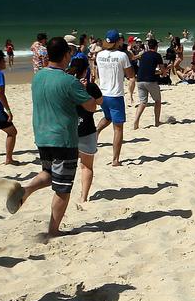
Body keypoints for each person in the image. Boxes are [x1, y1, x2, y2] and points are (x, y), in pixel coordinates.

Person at [12, 37, 98, 236]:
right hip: (64, 138)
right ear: (67, 54)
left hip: (42, 135)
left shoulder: (38, 77)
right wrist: (86, 92)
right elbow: (91, 106)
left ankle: (26, 189)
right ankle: (53, 230)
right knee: (63, 188)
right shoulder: (69, 81)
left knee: (50, 174)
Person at [95, 30, 135, 167]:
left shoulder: (99, 55)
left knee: (107, 117)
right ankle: (115, 159)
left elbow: (98, 71)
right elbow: (130, 74)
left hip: (102, 94)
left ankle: (96, 132)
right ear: (118, 41)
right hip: (115, 94)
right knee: (118, 128)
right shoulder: (122, 55)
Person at [68, 58, 103, 203]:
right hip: (86, 129)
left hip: (68, 131)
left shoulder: (66, 85)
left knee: (68, 166)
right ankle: (83, 197)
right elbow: (100, 102)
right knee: (86, 166)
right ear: (85, 71)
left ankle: (65, 195)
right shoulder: (91, 87)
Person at [133, 39, 163, 130]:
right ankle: (157, 122)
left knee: (142, 102)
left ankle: (136, 121)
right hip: (150, 81)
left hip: (139, 80)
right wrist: (164, 70)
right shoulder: (157, 55)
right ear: (156, 46)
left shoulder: (143, 55)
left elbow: (145, 68)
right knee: (157, 101)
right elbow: (162, 71)